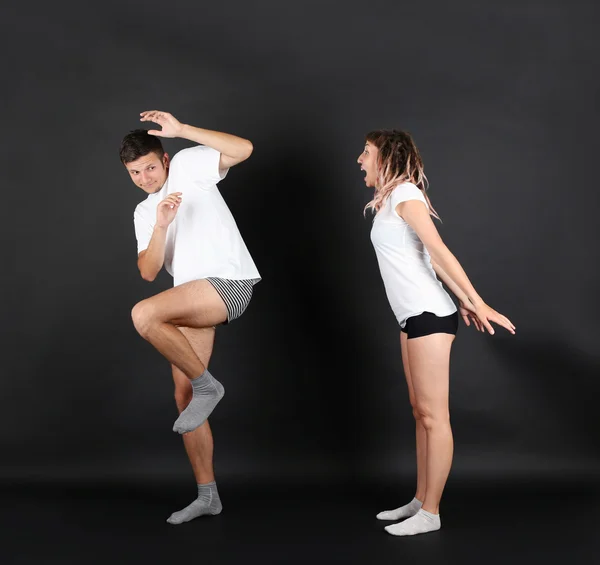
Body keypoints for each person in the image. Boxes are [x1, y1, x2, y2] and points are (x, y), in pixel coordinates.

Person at [357, 129, 515, 536]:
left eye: (367, 152)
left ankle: (432, 512)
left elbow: (440, 248)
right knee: (419, 412)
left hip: (428, 314)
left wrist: (476, 301)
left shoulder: (406, 194)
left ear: (387, 157)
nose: (360, 160)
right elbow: (427, 258)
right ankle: (419, 499)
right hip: (413, 315)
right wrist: (463, 299)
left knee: (433, 415)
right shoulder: (391, 200)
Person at [119, 110, 261, 525]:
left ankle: (209, 386)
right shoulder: (144, 213)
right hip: (190, 298)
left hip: (227, 282)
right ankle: (207, 495)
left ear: (164, 159)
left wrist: (181, 131)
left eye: (149, 167)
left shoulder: (186, 165)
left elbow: (244, 149)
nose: (145, 178)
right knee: (185, 399)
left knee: (144, 315)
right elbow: (148, 271)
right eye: (134, 173)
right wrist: (162, 223)